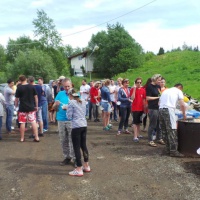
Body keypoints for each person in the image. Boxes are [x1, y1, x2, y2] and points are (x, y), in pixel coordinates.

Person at [67, 89, 90, 177]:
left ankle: (79, 168)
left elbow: (69, 116)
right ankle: (86, 165)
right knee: (83, 145)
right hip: (84, 125)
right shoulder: (83, 101)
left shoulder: (71, 103)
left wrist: (66, 109)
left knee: (76, 147)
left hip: (76, 126)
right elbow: (84, 113)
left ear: (70, 95)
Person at [159, 83, 186, 157]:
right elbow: (182, 104)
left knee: (165, 130)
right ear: (180, 88)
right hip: (168, 110)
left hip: (161, 110)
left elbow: (159, 103)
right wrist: (184, 114)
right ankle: (173, 151)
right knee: (172, 130)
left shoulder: (165, 91)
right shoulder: (178, 91)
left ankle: (168, 149)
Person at [53, 78, 75, 166]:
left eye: (68, 86)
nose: (67, 88)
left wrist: (69, 108)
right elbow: (55, 109)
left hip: (71, 121)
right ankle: (67, 157)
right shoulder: (59, 94)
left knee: (72, 140)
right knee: (63, 139)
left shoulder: (75, 95)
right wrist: (55, 105)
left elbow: (79, 108)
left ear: (71, 85)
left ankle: (75, 158)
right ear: (62, 86)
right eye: (65, 86)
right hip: (61, 120)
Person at [15, 75, 39, 142]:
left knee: (22, 122)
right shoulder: (32, 86)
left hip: (22, 108)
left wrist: (16, 106)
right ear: (26, 79)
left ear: (20, 80)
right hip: (31, 107)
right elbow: (36, 97)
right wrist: (36, 106)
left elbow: (16, 99)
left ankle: (22, 138)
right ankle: (36, 137)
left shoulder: (19, 88)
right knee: (33, 121)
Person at [146, 74, 165, 147]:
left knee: (159, 124)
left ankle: (159, 138)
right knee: (152, 124)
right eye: (159, 80)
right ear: (155, 79)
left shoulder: (158, 86)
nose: (160, 81)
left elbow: (160, 95)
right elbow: (148, 98)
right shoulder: (149, 87)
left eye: (160, 80)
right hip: (152, 108)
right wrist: (157, 98)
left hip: (158, 107)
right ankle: (150, 140)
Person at [130, 77, 146, 142]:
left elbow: (144, 99)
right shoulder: (133, 89)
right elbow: (132, 98)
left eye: (140, 82)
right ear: (135, 83)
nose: (139, 84)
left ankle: (138, 134)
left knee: (139, 122)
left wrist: (145, 108)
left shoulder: (143, 90)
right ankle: (135, 136)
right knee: (135, 123)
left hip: (141, 108)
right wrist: (134, 89)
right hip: (135, 108)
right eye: (137, 82)